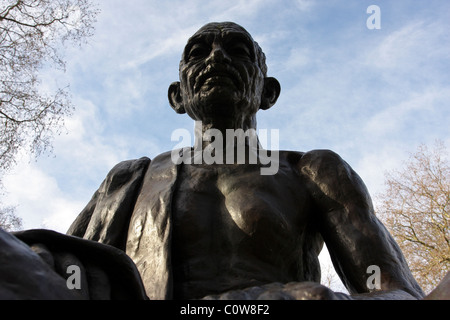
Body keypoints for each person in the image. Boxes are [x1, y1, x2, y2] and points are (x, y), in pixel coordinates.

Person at [3, 22, 426, 300]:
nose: (216, 58)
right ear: (177, 97)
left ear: (268, 93)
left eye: (237, 50)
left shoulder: (313, 172)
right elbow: (66, 275)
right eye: (198, 51)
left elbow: (393, 293)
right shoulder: (130, 180)